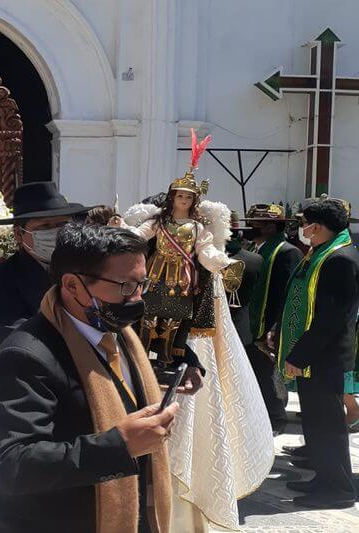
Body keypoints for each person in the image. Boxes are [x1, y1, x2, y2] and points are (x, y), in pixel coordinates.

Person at [113, 131, 274, 530]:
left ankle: (170, 349)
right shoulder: (158, 226)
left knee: (174, 327)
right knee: (154, 321)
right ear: (171, 199)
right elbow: (140, 237)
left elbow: (208, 253)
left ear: (194, 202)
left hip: (184, 283)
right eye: (178, 197)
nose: (183, 202)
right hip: (159, 279)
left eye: (188, 198)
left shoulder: (197, 231)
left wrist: (223, 265)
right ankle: (158, 347)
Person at [0, 224, 177, 532]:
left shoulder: (118, 333)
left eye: (141, 284)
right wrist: (118, 446)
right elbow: (13, 465)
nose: (136, 298)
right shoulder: (26, 356)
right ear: (73, 286)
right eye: (124, 286)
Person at [273, 196, 359, 508]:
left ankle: (338, 489)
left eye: (305, 222)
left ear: (318, 226)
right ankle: (324, 478)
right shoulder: (323, 252)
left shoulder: (339, 259)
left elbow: (332, 318)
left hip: (324, 357)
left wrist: (300, 355)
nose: (302, 228)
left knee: (327, 424)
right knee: (317, 423)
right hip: (317, 356)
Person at [0, 182, 91, 350]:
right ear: (19, 234)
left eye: (62, 224)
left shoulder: (89, 269)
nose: (55, 232)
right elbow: (17, 336)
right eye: (44, 226)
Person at [242, 203, 302, 434]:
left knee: (269, 375)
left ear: (269, 227)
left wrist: (276, 326)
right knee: (257, 374)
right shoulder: (256, 248)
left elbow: (285, 294)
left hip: (269, 323)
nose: (249, 228)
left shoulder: (287, 252)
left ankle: (276, 419)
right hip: (252, 321)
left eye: (254, 224)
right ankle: (261, 416)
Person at [225, 216, 262, 348]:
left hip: (227, 324)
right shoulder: (256, 259)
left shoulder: (205, 259)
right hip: (243, 325)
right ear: (240, 234)